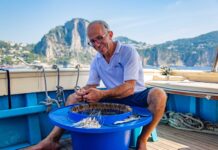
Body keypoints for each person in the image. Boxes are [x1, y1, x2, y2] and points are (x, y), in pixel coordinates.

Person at [28, 20, 167, 150]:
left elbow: (129, 87)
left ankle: (142, 139)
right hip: (112, 97)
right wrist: (82, 92)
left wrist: (101, 93)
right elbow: (92, 84)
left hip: (135, 95)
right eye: (92, 41)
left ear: (110, 35)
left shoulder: (128, 51)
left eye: (100, 38)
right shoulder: (97, 60)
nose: (96, 44)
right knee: (72, 98)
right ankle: (53, 140)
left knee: (159, 95)